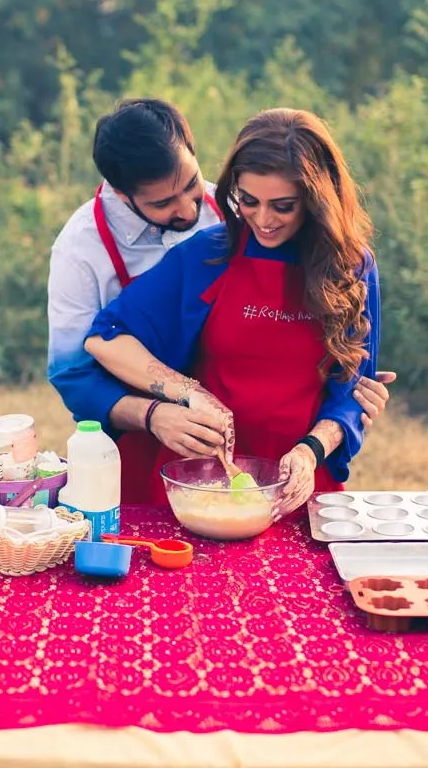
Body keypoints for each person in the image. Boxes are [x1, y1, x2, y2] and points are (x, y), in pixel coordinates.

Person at [47, 100, 394, 505]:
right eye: (248, 202)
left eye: (283, 206)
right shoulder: (204, 250)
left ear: (317, 198)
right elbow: (98, 343)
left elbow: (351, 391)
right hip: (198, 477)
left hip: (301, 483)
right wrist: (182, 395)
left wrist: (311, 451)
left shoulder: (353, 267)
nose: (262, 220)